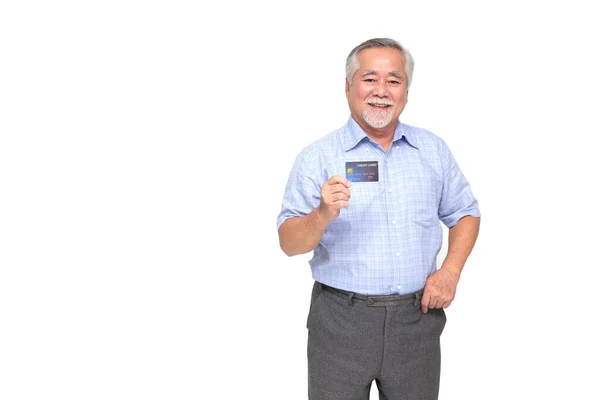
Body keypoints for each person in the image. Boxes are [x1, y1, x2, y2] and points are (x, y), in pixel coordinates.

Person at [276, 38, 480, 400]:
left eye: (394, 80)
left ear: (406, 91)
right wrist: (322, 214)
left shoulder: (432, 149)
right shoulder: (317, 157)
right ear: (348, 86)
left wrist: (450, 271)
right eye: (370, 79)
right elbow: (289, 243)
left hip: (416, 320)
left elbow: (465, 212)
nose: (381, 92)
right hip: (341, 320)